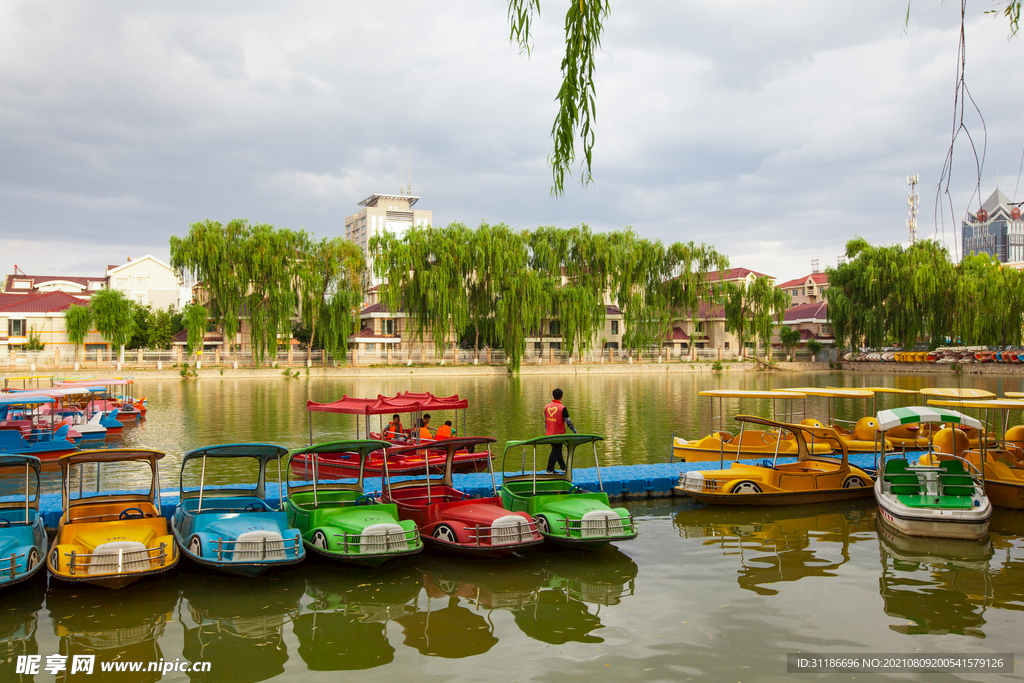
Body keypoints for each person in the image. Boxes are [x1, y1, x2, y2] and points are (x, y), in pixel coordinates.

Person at [544, 388, 576, 473]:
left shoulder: (547, 407)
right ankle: (549, 469)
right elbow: (569, 422)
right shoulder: (562, 408)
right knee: (556, 451)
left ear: (553, 395)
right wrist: (575, 431)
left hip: (549, 433)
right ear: (561, 396)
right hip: (558, 434)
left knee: (557, 450)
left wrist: (546, 431)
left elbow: (545, 421)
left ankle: (564, 468)